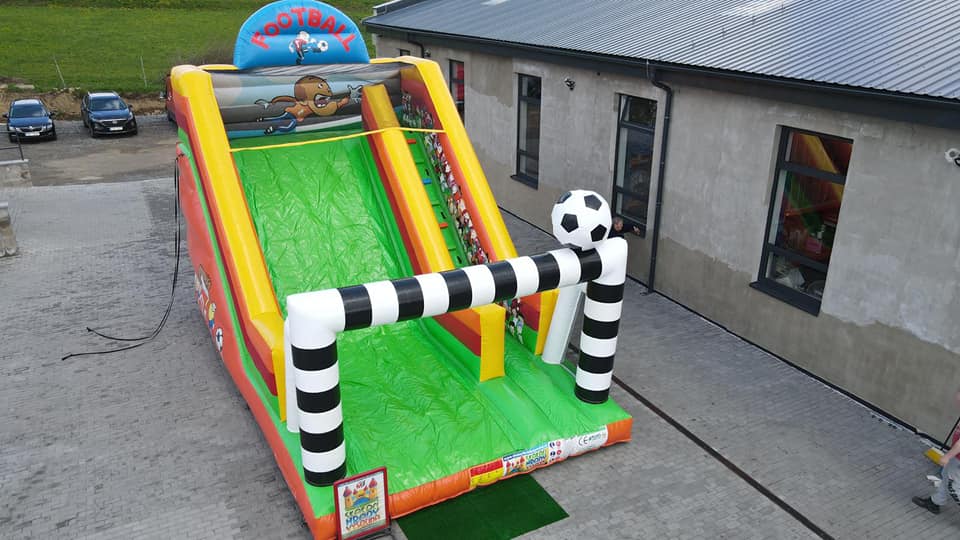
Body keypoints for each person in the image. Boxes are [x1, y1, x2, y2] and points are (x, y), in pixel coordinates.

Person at [912, 390, 960, 514]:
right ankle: (935, 502)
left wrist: (947, 456)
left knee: (954, 488)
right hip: (956, 457)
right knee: (946, 475)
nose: (957, 397)